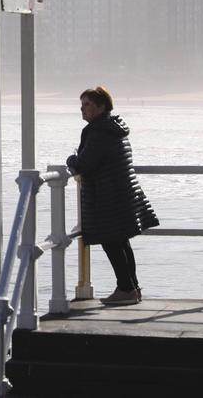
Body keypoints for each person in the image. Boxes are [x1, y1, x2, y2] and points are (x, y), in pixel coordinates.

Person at [67, 86, 159, 306]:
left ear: (101, 106)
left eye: (87, 104)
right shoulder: (114, 128)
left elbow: (84, 165)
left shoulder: (98, 131)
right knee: (120, 242)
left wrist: (71, 160)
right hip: (120, 193)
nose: (83, 109)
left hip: (108, 196)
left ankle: (126, 289)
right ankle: (132, 288)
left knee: (112, 243)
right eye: (81, 105)